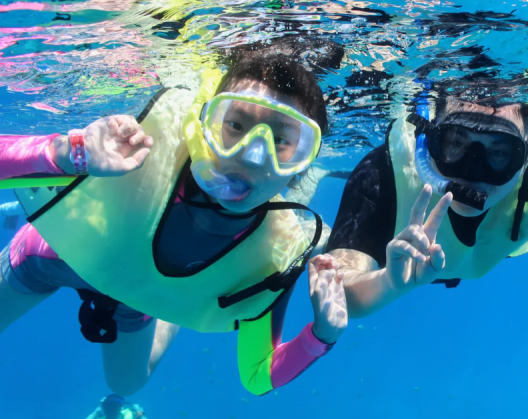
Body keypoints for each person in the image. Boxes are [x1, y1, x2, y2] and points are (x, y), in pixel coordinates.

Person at [0, 39, 348, 396]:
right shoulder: (141, 146)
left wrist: (321, 336)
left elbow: (257, 375)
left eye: (280, 140)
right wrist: (67, 154)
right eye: (236, 126)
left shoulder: (277, 253)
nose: (253, 156)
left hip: (138, 298)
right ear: (204, 126)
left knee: (125, 385)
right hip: (47, 256)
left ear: (301, 166)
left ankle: (181, 295)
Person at [323, 91, 528, 339]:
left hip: (494, 248)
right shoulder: (382, 173)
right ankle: (318, 233)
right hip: (398, 255)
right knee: (322, 251)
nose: (471, 172)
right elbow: (340, 296)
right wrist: (388, 283)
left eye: (498, 152)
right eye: (454, 143)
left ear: (526, 155)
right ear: (429, 141)